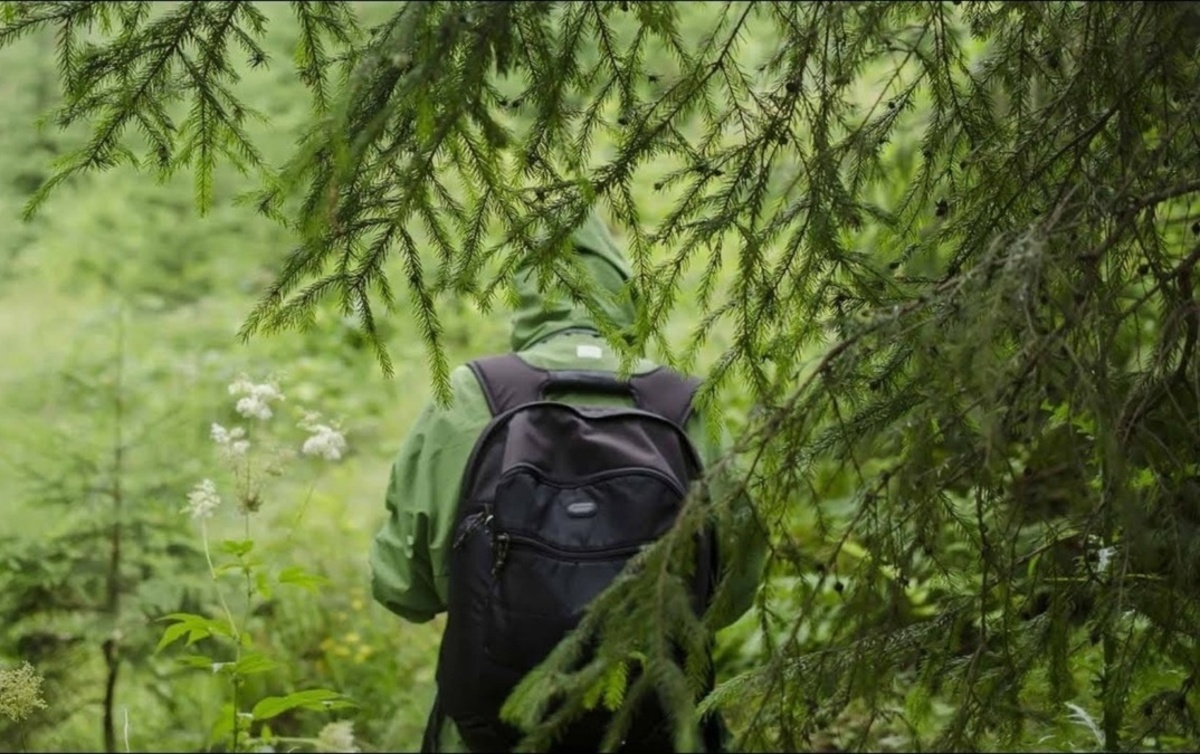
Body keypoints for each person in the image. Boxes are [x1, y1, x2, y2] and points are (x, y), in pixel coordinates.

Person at [368, 209, 767, 752]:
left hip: (491, 732)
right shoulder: (684, 404)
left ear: (527, 295)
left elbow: (402, 587)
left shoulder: (471, 395)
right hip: (658, 727)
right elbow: (734, 589)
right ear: (624, 290)